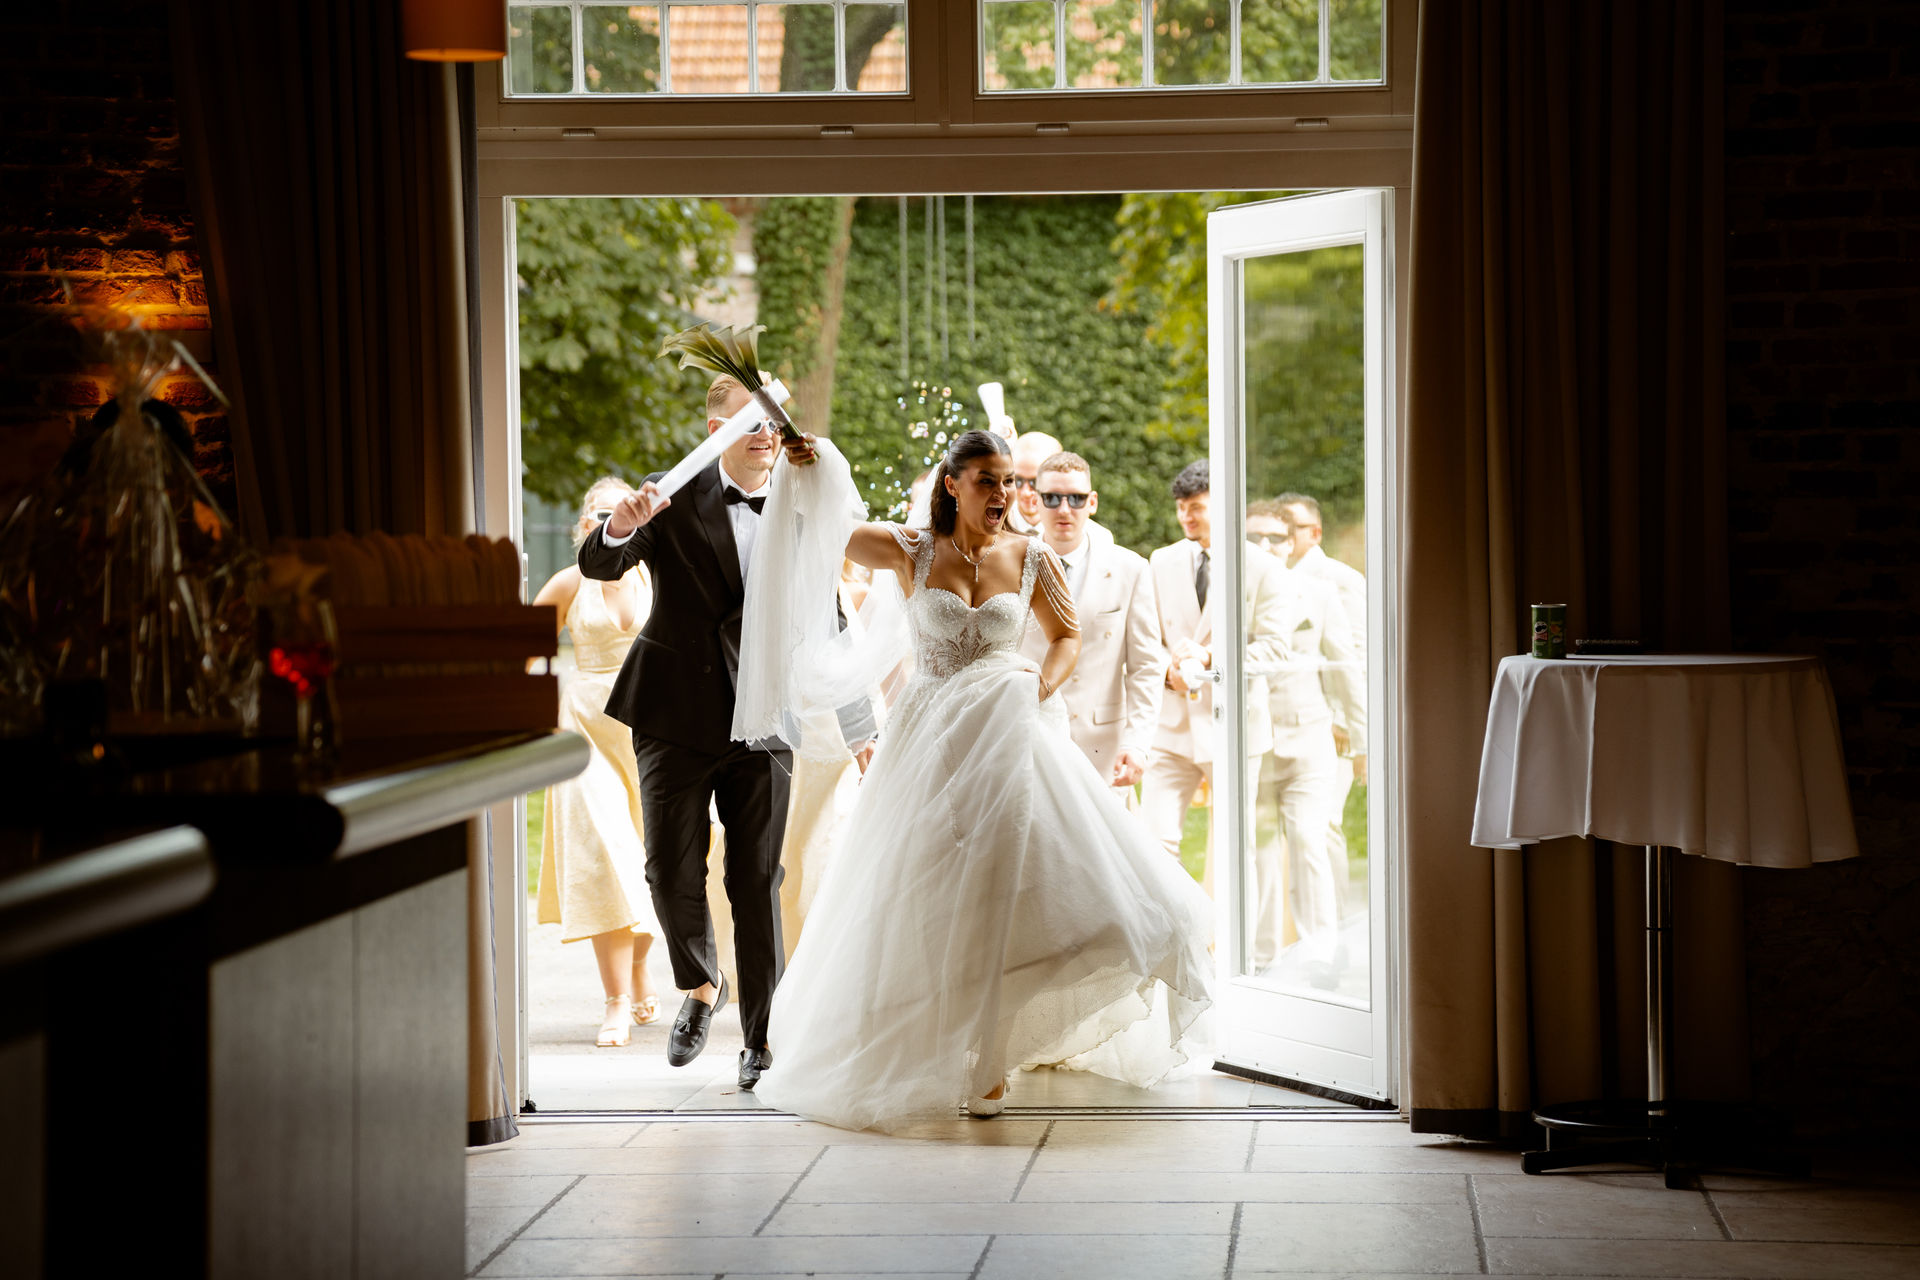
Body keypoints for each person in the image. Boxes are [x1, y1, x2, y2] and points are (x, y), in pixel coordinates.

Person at [678, 427, 1213, 1132]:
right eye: (987, 480)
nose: (1003, 494)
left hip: (1011, 732)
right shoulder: (912, 549)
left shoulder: (1031, 555)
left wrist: (1037, 688)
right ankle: (926, 1042)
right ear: (952, 485)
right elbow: (827, 528)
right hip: (930, 742)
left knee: (1011, 883)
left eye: (1008, 482)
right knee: (925, 891)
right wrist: (814, 464)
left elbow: (1066, 638)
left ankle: (992, 1053)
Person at [577, 375, 872, 1092]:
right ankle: (702, 983)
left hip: (765, 717)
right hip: (672, 713)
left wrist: (860, 726)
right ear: (716, 431)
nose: (766, 433)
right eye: (750, 422)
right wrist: (621, 526)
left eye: (774, 421)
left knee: (756, 879)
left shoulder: (801, 505)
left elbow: (829, 615)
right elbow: (599, 563)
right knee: (668, 869)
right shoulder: (671, 492)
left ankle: (763, 1038)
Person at [529, 478, 664, 1048]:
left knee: (655, 863)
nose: (613, 521)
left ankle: (639, 966)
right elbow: (522, 649)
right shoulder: (569, 582)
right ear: (585, 526)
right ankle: (615, 999)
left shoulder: (655, 575)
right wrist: (542, 719)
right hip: (584, 734)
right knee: (606, 858)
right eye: (602, 514)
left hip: (651, 733)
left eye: (624, 511)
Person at [1140, 461, 1291, 894]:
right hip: (1170, 729)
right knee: (1152, 844)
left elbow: (1276, 649)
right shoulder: (1161, 561)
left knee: (1233, 849)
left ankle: (1227, 935)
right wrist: (1169, 672)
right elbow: (1147, 638)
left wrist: (1209, 657)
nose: (1186, 516)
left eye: (1196, 507)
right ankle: (1174, 930)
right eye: (1181, 508)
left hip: (1234, 728)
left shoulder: (1263, 568)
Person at [1244, 512, 1364, 968]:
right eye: (1255, 536)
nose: (1266, 545)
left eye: (1276, 537)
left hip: (1309, 737)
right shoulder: (1232, 594)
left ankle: (1320, 957)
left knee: (1308, 841)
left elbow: (1346, 668)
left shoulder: (1320, 593)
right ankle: (1260, 959)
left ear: (1291, 542)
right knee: (1260, 850)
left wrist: (1362, 742)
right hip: (1254, 741)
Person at [1017, 451, 1164, 793]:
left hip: (1103, 749)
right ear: (1035, 502)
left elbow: (1146, 667)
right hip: (1027, 737)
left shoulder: (1131, 569)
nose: (1064, 509)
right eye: (1052, 498)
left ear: (1092, 502)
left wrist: (1138, 742)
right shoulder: (1008, 564)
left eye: (1076, 498)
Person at [1261, 493, 1369, 914]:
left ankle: (1337, 921)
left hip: (1331, 724)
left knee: (1323, 825)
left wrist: (1344, 722)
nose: (1282, 534)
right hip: (1283, 726)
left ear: (1315, 533)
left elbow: (1354, 657)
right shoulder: (1269, 577)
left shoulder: (1340, 580)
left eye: (1293, 526)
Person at [1007, 429, 1064, 534]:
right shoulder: (987, 528)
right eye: (1018, 480)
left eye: (1035, 482)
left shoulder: (1086, 535)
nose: (1026, 493)